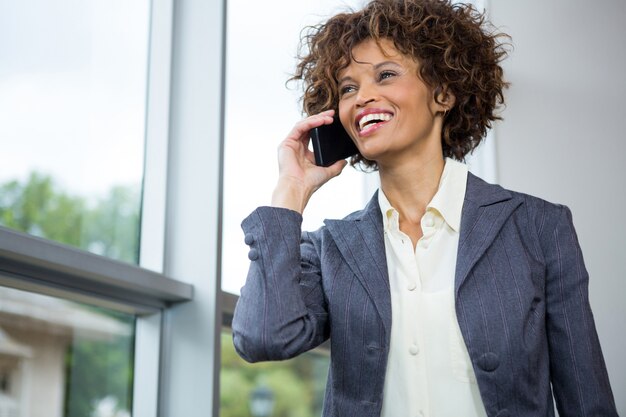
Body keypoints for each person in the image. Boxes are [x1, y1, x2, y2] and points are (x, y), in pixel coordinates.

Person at [231, 0, 618, 416]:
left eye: (386, 75)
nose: (363, 97)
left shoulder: (539, 227)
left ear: (443, 93)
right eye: (348, 87)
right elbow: (263, 338)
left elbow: (587, 398)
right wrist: (290, 191)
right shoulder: (331, 248)